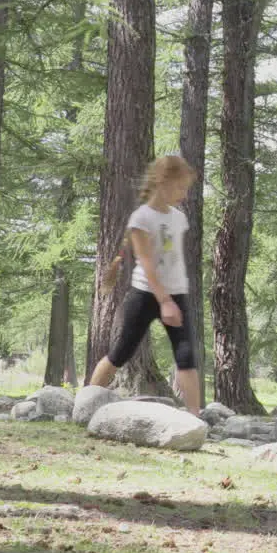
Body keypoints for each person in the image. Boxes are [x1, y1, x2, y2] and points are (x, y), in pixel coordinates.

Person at [88, 155, 201, 416]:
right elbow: (148, 264)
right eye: (180, 187)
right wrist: (165, 302)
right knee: (120, 353)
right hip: (146, 295)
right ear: (163, 183)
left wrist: (175, 297)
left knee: (186, 358)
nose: (184, 194)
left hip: (177, 295)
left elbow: (172, 260)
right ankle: (86, 404)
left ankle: (196, 420)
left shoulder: (178, 218)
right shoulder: (141, 218)